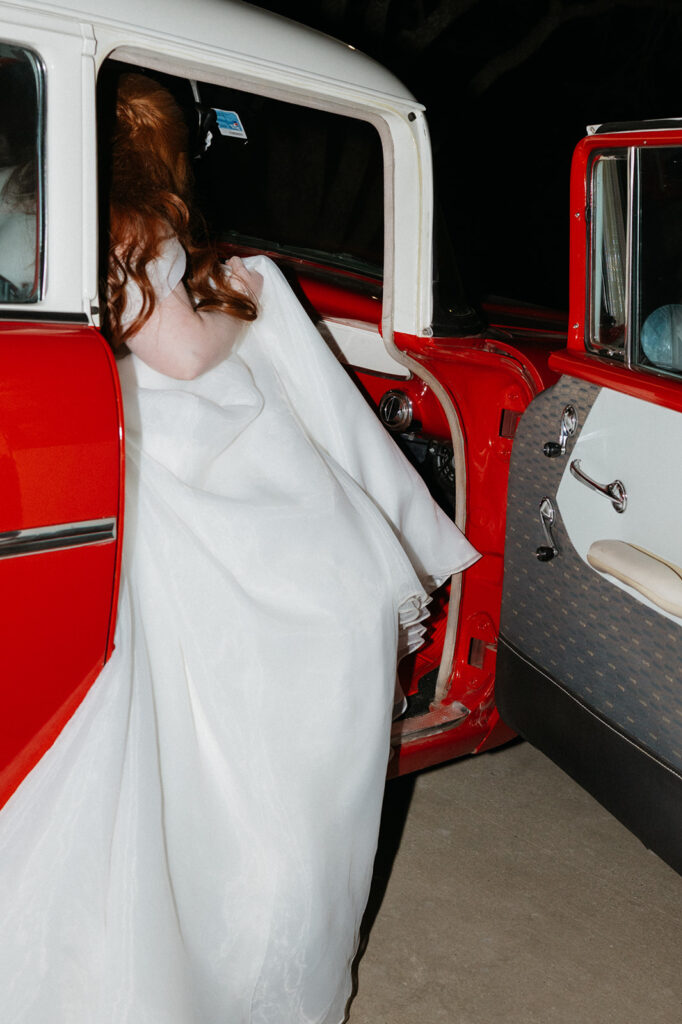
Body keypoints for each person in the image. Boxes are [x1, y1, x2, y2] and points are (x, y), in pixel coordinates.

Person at [0, 73, 478, 1023]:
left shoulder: (30, 194)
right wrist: (248, 300)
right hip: (174, 452)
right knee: (321, 598)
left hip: (108, 429)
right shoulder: (131, 218)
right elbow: (180, 355)